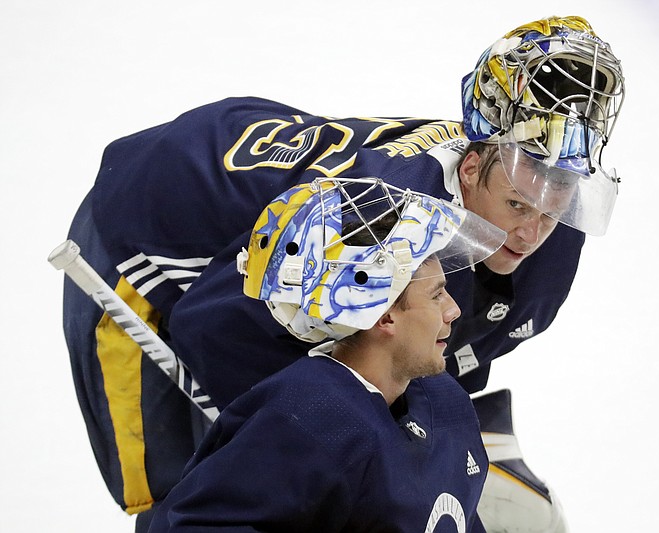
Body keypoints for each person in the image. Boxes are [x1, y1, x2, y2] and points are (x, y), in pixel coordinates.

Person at [58, 15, 624, 532]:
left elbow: (447, 354)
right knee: (193, 488)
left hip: (265, 210)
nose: (532, 233)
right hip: (146, 237)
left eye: (555, 207)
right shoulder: (379, 227)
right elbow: (214, 329)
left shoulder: (546, 214)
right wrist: (332, 450)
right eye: (519, 207)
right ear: (472, 168)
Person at [146, 177, 502, 532]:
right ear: (383, 314)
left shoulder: (446, 402)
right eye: (437, 294)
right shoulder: (310, 417)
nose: (454, 310)